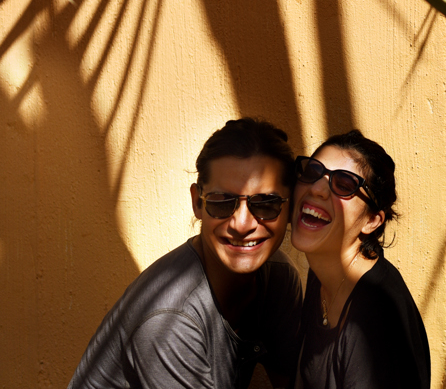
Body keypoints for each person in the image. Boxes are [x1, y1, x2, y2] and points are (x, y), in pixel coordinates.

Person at [68, 118, 303, 389]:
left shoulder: (278, 278)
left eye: (265, 204)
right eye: (222, 202)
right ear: (197, 202)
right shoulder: (170, 320)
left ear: (291, 207)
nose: (242, 224)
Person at [292, 129, 430, 389]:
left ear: (371, 220)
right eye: (312, 172)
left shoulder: (374, 319)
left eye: (343, 185)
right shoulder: (323, 271)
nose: (317, 188)